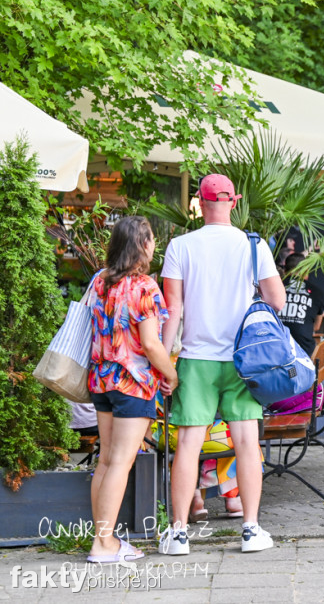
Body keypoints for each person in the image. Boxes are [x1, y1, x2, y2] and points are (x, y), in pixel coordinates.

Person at [159, 174, 285, 555]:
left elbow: (173, 311)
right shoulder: (254, 245)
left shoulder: (180, 246)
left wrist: (165, 364)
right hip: (243, 360)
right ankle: (250, 529)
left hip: (196, 360)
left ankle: (178, 534)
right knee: (247, 444)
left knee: (188, 446)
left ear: (199, 201)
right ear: (236, 201)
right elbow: (277, 301)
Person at [86, 216, 177, 563]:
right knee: (121, 462)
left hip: (101, 381)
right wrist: (171, 376)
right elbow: (152, 345)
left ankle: (102, 539)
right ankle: (104, 544)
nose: (154, 244)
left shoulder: (99, 281)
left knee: (106, 461)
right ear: (141, 245)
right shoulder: (144, 287)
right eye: (151, 238)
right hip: (132, 385)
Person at [279, 252, 324, 358]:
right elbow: (316, 327)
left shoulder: (276, 286)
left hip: (276, 346)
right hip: (303, 350)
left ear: (285, 271)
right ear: (306, 270)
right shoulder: (317, 292)